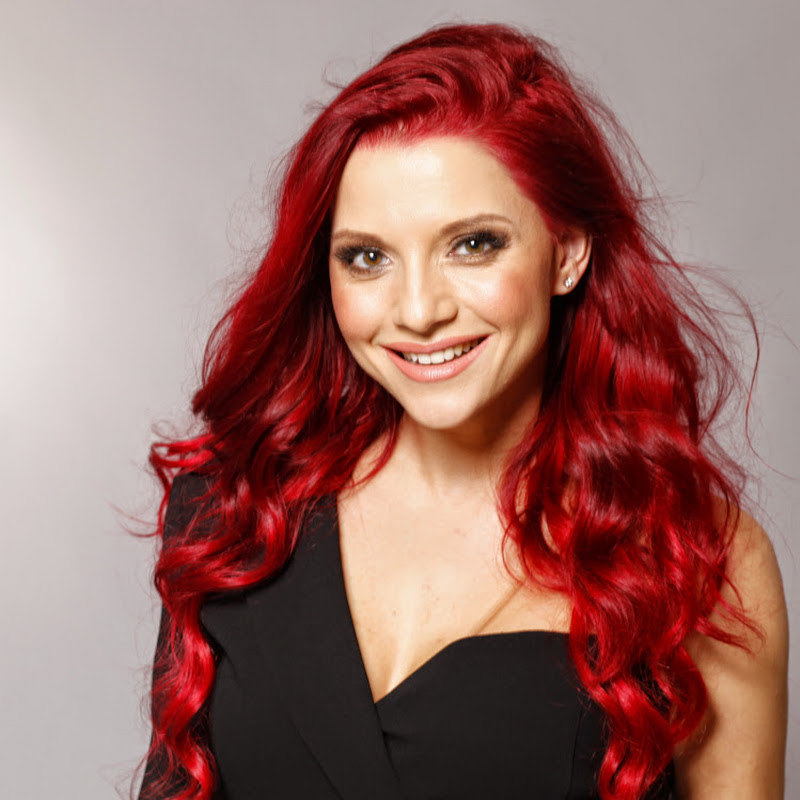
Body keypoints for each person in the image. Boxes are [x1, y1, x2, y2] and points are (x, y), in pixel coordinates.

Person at [136, 22, 788, 800]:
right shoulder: (238, 511)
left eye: (473, 245)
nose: (418, 311)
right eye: (368, 257)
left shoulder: (695, 559)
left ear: (567, 251)